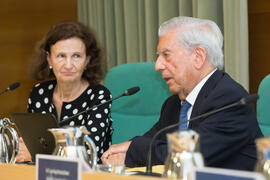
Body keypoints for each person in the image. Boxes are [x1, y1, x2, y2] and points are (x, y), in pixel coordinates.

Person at [101, 16, 263, 171]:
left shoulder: (229, 98)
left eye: (166, 55)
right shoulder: (175, 103)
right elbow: (151, 140)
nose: (158, 65)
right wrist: (123, 152)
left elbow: (188, 156)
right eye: (159, 57)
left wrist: (133, 149)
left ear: (198, 57)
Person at [16, 21, 113, 163]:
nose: (68, 65)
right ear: (49, 59)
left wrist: (36, 155)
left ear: (87, 60)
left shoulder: (99, 96)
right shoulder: (39, 93)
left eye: (76, 56)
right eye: (61, 56)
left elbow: (86, 154)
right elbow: (31, 144)